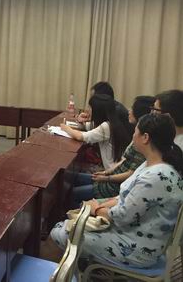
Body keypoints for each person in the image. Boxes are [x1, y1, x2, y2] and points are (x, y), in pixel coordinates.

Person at [50, 113, 183, 268]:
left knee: (60, 232)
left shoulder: (155, 178)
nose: (133, 136)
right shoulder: (153, 165)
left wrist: (97, 209)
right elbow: (124, 197)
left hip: (135, 248)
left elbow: (122, 216)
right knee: (72, 222)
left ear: (145, 138)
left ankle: (78, 269)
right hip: (131, 233)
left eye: (135, 132)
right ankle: (83, 264)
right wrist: (101, 205)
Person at [70, 96, 154, 205]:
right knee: (73, 178)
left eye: (132, 108)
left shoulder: (143, 139)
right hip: (112, 176)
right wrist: (107, 173)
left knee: (73, 192)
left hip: (116, 185)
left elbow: (131, 173)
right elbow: (124, 160)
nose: (129, 110)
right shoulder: (135, 131)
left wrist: (107, 178)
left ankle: (77, 212)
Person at [61, 94, 132, 171]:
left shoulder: (106, 126)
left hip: (110, 172)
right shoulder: (111, 122)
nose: (88, 110)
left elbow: (80, 136)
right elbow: (86, 127)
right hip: (110, 170)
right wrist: (82, 121)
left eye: (90, 108)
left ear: (97, 111)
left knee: (72, 173)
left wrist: (66, 128)